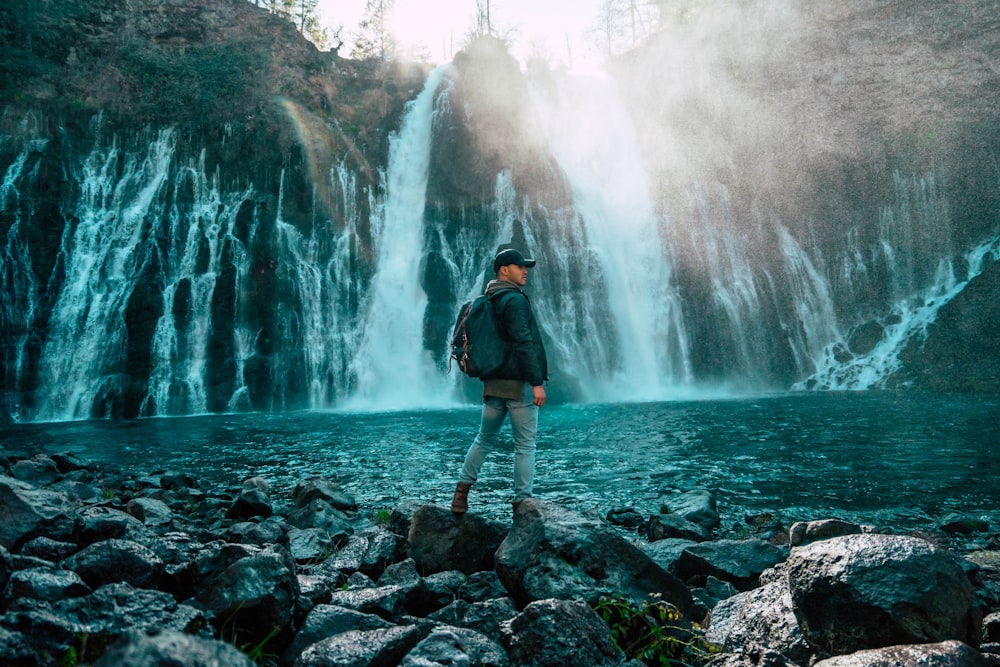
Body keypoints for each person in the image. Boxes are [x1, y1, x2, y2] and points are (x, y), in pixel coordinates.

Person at [451, 248, 548, 515]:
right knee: (525, 446)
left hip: (492, 385)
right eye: (520, 266)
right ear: (504, 270)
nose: (525, 270)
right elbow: (523, 342)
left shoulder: (486, 300)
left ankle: (461, 493)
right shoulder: (514, 300)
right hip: (519, 385)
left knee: (483, 439)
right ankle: (522, 502)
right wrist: (536, 382)